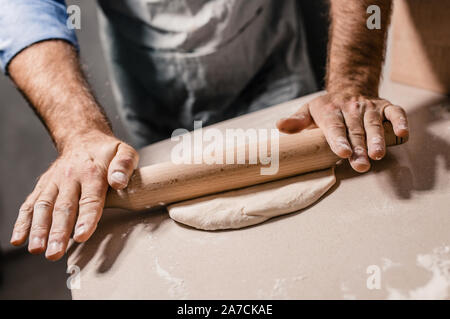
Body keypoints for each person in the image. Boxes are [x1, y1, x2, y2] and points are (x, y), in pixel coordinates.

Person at [1, 0, 408, 261]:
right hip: (148, 78)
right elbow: (22, 8)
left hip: (268, 54)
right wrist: (79, 132)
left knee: (310, 246)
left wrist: (352, 84)